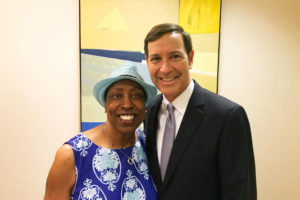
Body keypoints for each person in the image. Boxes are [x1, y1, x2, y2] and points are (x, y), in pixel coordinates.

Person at [144, 23, 256, 199]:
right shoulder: (150, 111)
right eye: (156, 58)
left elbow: (240, 193)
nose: (165, 68)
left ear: (190, 58)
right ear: (147, 61)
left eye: (174, 56)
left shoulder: (228, 116)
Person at [44, 62, 158, 200]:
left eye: (136, 96)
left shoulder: (149, 146)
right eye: (117, 96)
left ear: (144, 106)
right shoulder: (72, 155)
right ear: (105, 104)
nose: (127, 104)